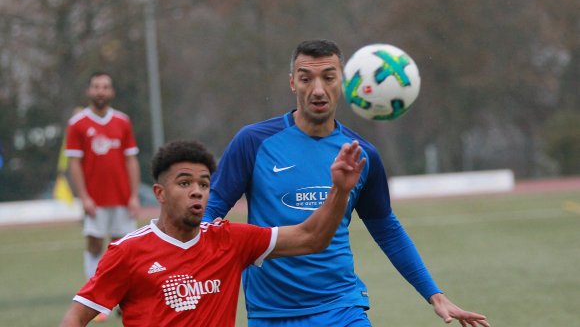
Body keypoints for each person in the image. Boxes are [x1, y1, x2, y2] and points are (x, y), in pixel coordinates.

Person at [203, 39, 490, 327]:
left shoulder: (362, 155)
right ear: (293, 83)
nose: (318, 89)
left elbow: (387, 229)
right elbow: (210, 209)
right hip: (271, 314)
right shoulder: (253, 142)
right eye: (306, 78)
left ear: (344, 83)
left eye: (328, 77)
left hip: (342, 308)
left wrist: (434, 294)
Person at [60, 138, 366, 326]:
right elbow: (76, 316)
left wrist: (339, 190)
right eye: (184, 183)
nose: (197, 192)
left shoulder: (229, 240)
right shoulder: (127, 252)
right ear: (159, 192)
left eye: (204, 184)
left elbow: (312, 237)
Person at [65, 72, 141, 321]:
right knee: (95, 244)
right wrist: (84, 197)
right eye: (96, 86)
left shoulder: (122, 121)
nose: (101, 91)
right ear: (89, 91)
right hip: (95, 200)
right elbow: (74, 164)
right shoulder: (77, 123)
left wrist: (133, 196)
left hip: (121, 198)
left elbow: (131, 159)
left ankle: (123, 298)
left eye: (105, 87)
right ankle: (95, 300)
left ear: (111, 92)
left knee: (124, 248)